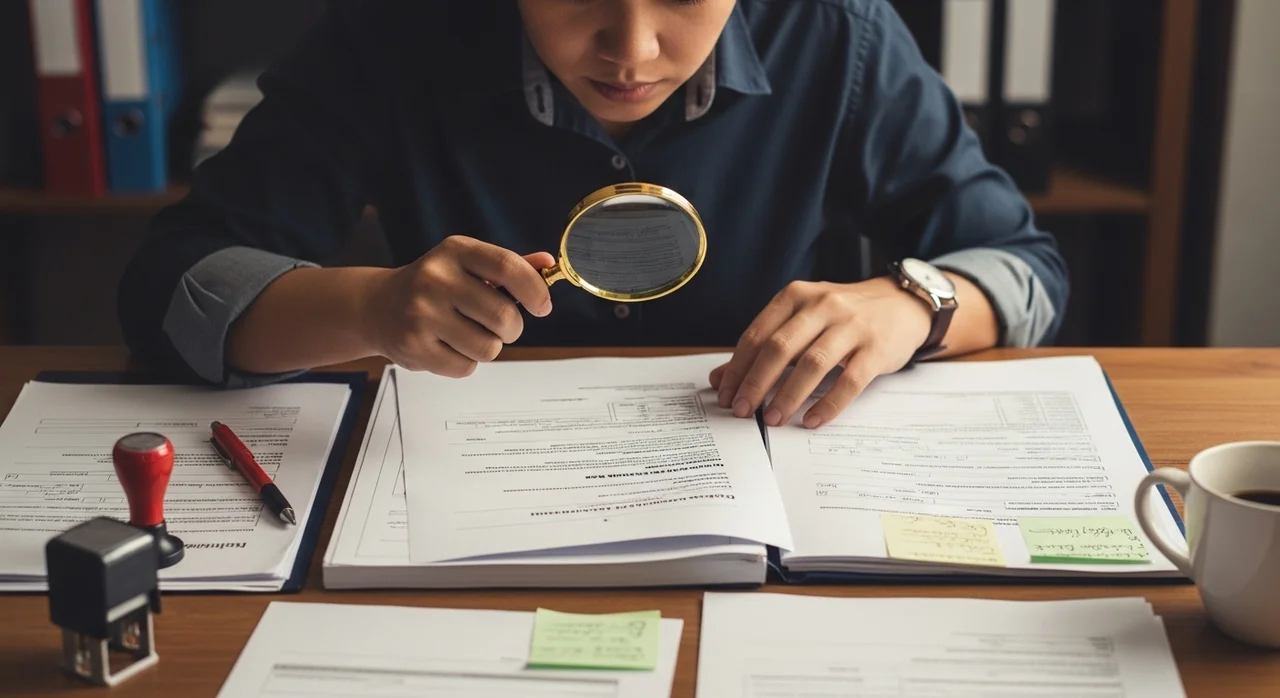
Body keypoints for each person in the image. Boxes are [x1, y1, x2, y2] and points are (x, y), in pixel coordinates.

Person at [118, 0, 1068, 430]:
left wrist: (907, 306)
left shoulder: (838, 30)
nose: (634, 48)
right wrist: (367, 309)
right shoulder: (392, 30)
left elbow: (1023, 264)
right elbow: (171, 288)